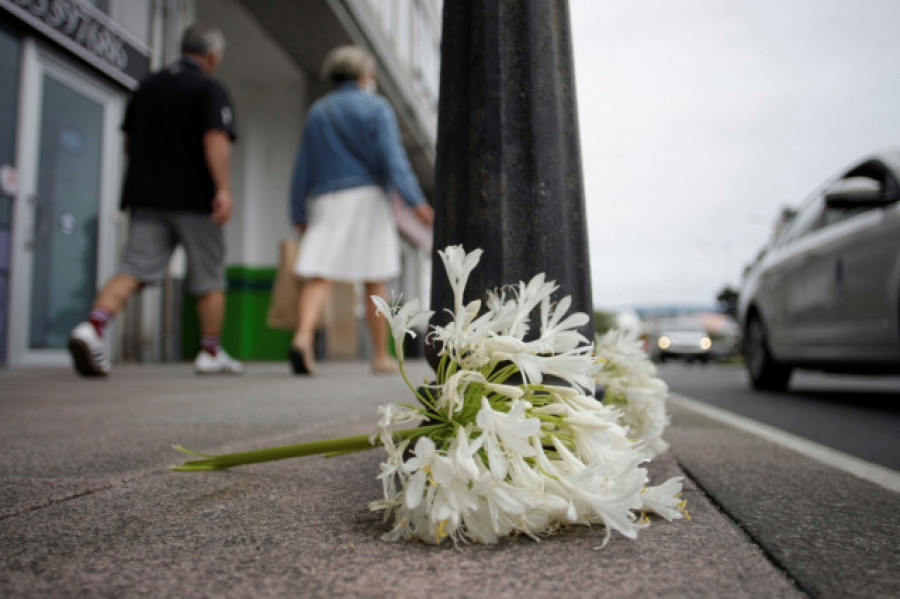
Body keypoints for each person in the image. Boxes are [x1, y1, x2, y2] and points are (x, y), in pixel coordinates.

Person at [67, 24, 242, 377]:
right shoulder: (209, 88)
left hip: (146, 196)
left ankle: (93, 327)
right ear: (212, 56)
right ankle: (210, 352)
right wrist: (222, 189)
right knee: (209, 277)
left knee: (132, 269)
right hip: (195, 199)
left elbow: (129, 143)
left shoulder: (147, 86)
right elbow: (215, 139)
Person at [289, 45, 434, 375]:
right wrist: (415, 202)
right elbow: (393, 159)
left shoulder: (318, 111)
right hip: (368, 197)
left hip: (326, 199)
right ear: (364, 74)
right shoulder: (377, 108)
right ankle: (380, 356)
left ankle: (301, 338)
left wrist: (298, 210)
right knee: (374, 279)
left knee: (319, 274)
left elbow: (304, 166)